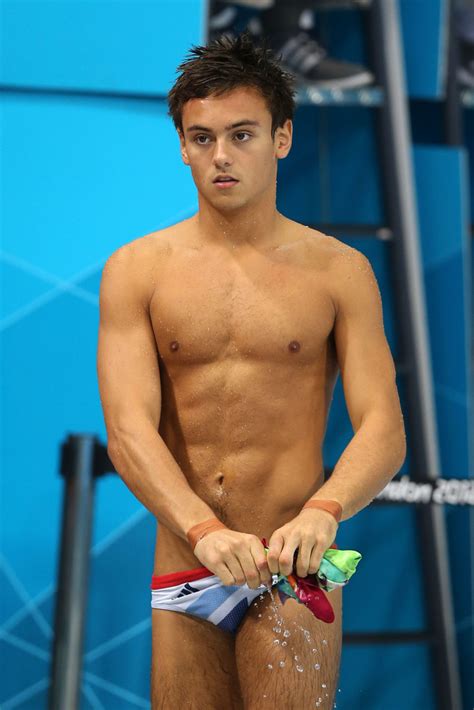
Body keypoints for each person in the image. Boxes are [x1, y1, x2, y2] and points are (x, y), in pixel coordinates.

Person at [97, 33, 406, 709]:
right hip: (185, 564)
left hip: (292, 565)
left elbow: (384, 429)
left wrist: (325, 510)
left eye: (242, 134)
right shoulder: (137, 270)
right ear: (181, 145)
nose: (221, 156)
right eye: (201, 138)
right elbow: (127, 430)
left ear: (282, 138)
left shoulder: (338, 272)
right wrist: (203, 531)